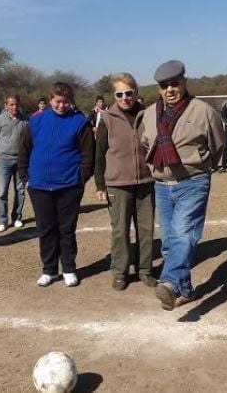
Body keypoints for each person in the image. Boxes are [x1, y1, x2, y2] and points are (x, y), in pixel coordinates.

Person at [140, 60, 224, 311]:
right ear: (159, 89)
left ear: (184, 83)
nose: (170, 90)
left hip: (193, 182)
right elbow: (145, 144)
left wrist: (199, 165)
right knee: (169, 241)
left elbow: (218, 144)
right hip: (162, 185)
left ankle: (169, 282)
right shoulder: (149, 114)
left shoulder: (203, 111)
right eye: (164, 86)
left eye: (174, 84)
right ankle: (184, 290)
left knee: (184, 234)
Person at [19, 82, 94, 288]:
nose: (61, 106)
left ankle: (69, 268)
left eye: (66, 102)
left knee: (66, 229)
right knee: (46, 230)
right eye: (57, 101)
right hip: (40, 186)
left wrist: (80, 179)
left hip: (69, 186)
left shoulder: (80, 122)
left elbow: (88, 155)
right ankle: (49, 270)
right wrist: (25, 177)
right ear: (50, 99)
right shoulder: (36, 120)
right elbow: (24, 149)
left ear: (71, 101)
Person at [94, 72, 156, 291]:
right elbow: (99, 154)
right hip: (117, 184)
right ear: (114, 96)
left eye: (128, 93)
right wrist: (100, 185)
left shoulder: (148, 115)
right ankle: (120, 272)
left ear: (136, 93)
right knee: (120, 231)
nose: (124, 98)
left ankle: (145, 270)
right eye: (119, 94)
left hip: (146, 182)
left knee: (146, 229)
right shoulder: (107, 118)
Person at [0, 94, 29, 232]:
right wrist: (0, 152)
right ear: (6, 105)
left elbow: (30, 140)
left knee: (20, 191)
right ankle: (2, 220)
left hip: (21, 161)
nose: (14, 107)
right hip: (4, 161)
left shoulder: (26, 120)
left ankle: (17, 217)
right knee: (2, 192)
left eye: (16, 104)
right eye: (11, 104)